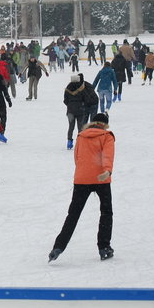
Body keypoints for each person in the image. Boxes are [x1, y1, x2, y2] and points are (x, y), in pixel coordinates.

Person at [48, 113, 115, 263]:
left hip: (81, 179)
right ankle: (104, 247)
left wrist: (84, 172)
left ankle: (58, 247)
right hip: (101, 179)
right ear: (104, 124)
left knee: (73, 214)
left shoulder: (81, 136)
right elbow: (108, 156)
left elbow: (77, 157)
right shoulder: (107, 136)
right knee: (106, 212)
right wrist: (107, 171)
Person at [63, 74, 86, 150]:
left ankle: (69, 142)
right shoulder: (82, 88)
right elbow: (85, 98)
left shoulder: (68, 88)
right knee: (80, 127)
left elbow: (65, 100)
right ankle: (80, 142)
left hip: (70, 111)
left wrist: (70, 105)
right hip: (80, 110)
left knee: (71, 127)